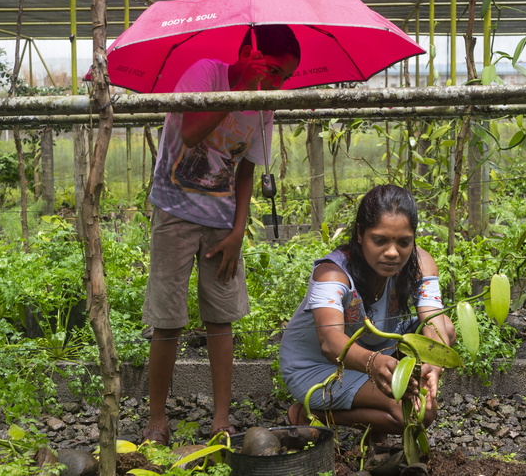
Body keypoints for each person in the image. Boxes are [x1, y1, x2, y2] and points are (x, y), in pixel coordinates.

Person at [141, 25, 301, 445]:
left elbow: (246, 169)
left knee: (220, 318)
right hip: (174, 212)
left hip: (221, 221)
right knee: (167, 319)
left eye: (285, 77)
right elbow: (191, 132)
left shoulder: (264, 105)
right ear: (250, 55)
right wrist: (243, 87)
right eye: (275, 72)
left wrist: (238, 231)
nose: (279, 84)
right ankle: (157, 421)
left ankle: (221, 421)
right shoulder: (205, 74)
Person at [279, 184, 456, 436]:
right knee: (417, 414)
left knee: (446, 327)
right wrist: (373, 363)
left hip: (376, 351)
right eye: (379, 240)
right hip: (318, 368)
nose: (392, 253)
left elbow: (433, 321)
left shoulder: (421, 264)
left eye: (404, 242)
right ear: (360, 234)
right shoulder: (332, 274)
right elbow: (329, 342)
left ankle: (375, 396)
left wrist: (433, 365)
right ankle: (311, 412)